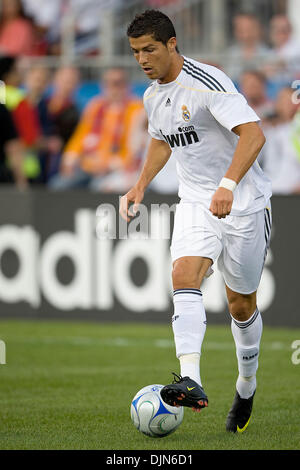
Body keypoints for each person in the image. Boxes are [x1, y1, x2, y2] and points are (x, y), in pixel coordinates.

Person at [120, 10, 272, 433]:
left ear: (172, 44)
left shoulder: (208, 82)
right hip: (195, 203)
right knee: (183, 273)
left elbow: (254, 133)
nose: (142, 59)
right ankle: (193, 380)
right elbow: (160, 139)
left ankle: (247, 384)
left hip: (242, 201)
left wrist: (227, 184)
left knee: (241, 304)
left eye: (149, 49)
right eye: (135, 52)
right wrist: (139, 186)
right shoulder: (153, 95)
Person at [49, 67, 146, 191]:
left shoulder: (136, 109)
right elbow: (80, 136)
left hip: (118, 169)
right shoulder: (95, 106)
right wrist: (69, 159)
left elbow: (135, 148)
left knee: (98, 187)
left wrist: (109, 165)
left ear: (126, 85)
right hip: (89, 166)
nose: (114, 88)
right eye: (109, 83)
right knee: (57, 185)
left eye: (118, 83)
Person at [225, 12, 270, 82]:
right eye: (241, 29)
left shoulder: (268, 55)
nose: (245, 34)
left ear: (257, 29)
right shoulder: (229, 55)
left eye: (249, 29)